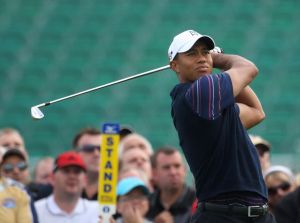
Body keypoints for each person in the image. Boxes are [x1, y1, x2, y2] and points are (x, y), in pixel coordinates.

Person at [168, 29, 275, 222]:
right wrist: (217, 59)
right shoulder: (198, 93)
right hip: (222, 215)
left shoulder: (211, 104)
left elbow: (257, 112)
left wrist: (210, 62)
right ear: (175, 65)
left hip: (258, 215)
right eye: (192, 54)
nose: (201, 58)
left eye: (205, 52)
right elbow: (248, 68)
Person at [34, 151, 99, 223]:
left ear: (85, 180)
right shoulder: (35, 211)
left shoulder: (98, 212)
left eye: (77, 172)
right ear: (52, 178)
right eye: (66, 171)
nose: (72, 176)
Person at [147, 147, 195, 223]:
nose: (173, 172)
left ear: (184, 170)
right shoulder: (146, 205)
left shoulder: (197, 203)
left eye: (177, 166)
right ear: (154, 173)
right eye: (166, 167)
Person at [72, 127, 101, 200]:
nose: (96, 154)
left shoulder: (120, 192)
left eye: (102, 149)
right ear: (76, 154)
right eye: (89, 148)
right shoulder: (63, 191)